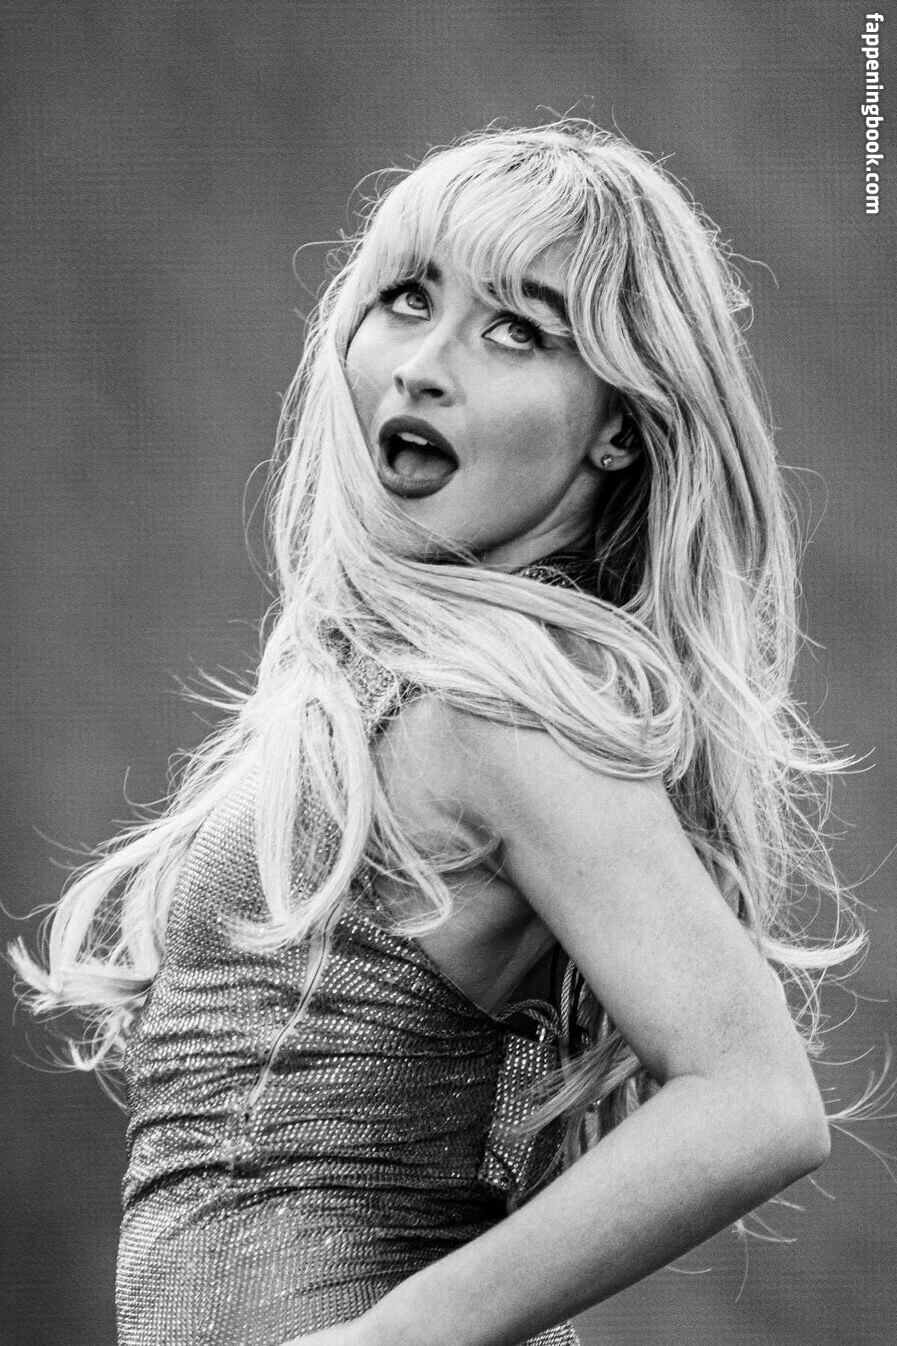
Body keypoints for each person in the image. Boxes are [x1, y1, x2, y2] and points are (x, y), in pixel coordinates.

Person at [11, 120, 865, 1346]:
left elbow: (759, 1100)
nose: (422, 365)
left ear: (620, 424)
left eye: (516, 329)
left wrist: (392, 1336)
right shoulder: (392, 686)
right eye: (408, 298)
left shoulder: (496, 709)